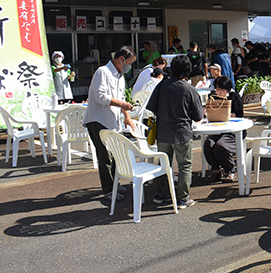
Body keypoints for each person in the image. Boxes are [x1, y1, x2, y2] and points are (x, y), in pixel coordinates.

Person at [146, 55, 204, 209]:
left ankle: (161, 194)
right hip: (182, 133)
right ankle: (183, 198)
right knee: (185, 165)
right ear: (188, 71)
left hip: (163, 132)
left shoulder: (162, 85)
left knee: (164, 164)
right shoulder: (189, 89)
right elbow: (198, 116)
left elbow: (151, 107)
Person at [83, 46, 136, 201]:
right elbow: (101, 97)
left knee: (114, 154)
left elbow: (122, 99)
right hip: (98, 120)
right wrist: (122, 106)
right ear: (121, 59)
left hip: (111, 121)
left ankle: (114, 184)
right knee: (105, 156)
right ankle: (108, 189)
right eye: (129, 62)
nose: (129, 66)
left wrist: (127, 116)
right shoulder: (102, 72)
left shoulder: (119, 76)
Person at [203, 75, 244, 183]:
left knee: (220, 146)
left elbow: (240, 114)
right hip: (218, 130)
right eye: (217, 89)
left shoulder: (234, 96)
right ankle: (216, 170)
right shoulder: (214, 98)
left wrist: (227, 115)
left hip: (233, 131)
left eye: (221, 90)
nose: (219, 92)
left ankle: (231, 170)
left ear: (228, 89)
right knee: (208, 143)